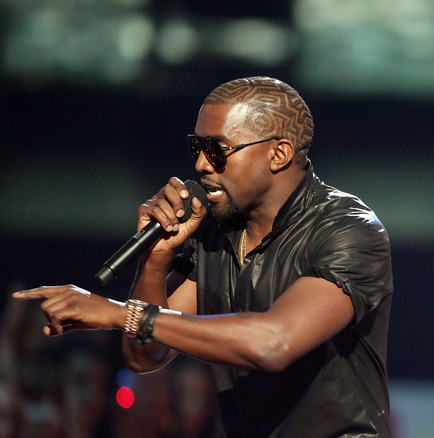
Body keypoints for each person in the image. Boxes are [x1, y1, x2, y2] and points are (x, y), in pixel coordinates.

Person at [13, 76, 394, 437]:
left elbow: (273, 344)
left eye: (216, 150)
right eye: (197, 147)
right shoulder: (213, 230)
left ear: (278, 153)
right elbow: (147, 355)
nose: (201, 165)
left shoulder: (349, 230)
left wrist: (118, 312)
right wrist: (156, 260)